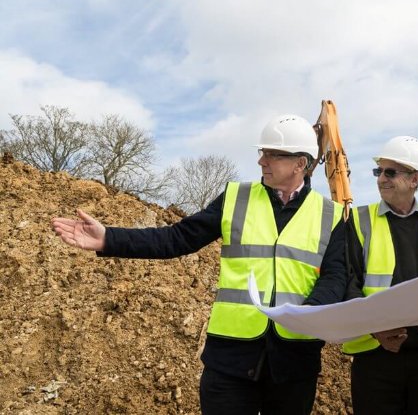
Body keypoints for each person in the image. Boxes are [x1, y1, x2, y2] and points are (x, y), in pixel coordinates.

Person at [51, 114, 347, 415]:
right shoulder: (236, 198)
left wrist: (311, 311)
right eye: (262, 152)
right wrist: (108, 239)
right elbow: (176, 239)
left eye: (273, 154)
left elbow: (337, 276)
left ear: (301, 163)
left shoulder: (331, 215)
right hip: (229, 362)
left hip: (294, 364)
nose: (262, 161)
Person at [342, 136, 418, 415]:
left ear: (415, 179)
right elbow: (349, 283)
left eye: (390, 172)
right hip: (376, 355)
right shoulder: (358, 221)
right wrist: (376, 328)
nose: (381, 179)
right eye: (379, 171)